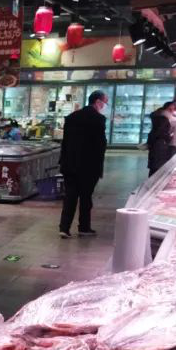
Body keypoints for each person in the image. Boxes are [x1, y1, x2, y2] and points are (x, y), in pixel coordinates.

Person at [58, 89, 108, 238]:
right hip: (89, 166)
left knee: (70, 196)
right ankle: (84, 228)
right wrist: (99, 167)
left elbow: (65, 143)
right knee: (86, 197)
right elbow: (100, 145)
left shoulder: (71, 117)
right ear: (98, 102)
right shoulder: (98, 119)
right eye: (105, 102)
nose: (105, 105)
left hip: (70, 165)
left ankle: (64, 228)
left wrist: (63, 161)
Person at [147, 100, 176, 175]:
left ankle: (152, 179)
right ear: (165, 108)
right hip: (159, 144)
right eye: (170, 109)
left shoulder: (159, 116)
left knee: (155, 165)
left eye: (173, 109)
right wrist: (168, 137)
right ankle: (153, 180)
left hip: (156, 143)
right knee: (157, 165)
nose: (172, 111)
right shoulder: (163, 118)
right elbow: (160, 131)